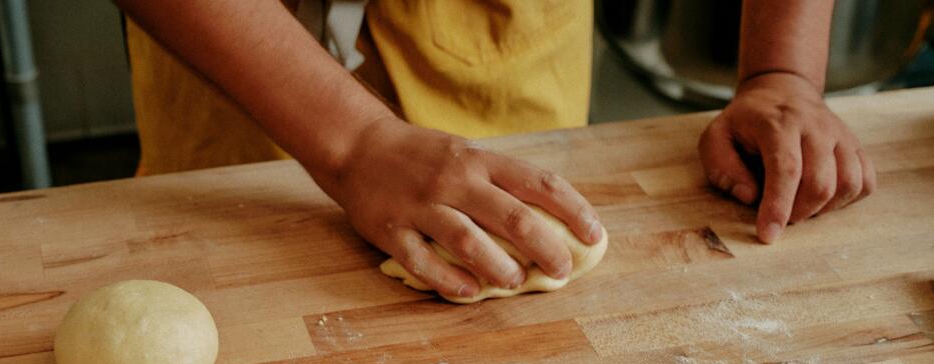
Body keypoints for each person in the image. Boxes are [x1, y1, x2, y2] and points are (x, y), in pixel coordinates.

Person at [118, 0, 875, 300]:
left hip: (496, 51)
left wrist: (782, 72)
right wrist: (352, 139)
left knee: (531, 233)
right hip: (243, 65)